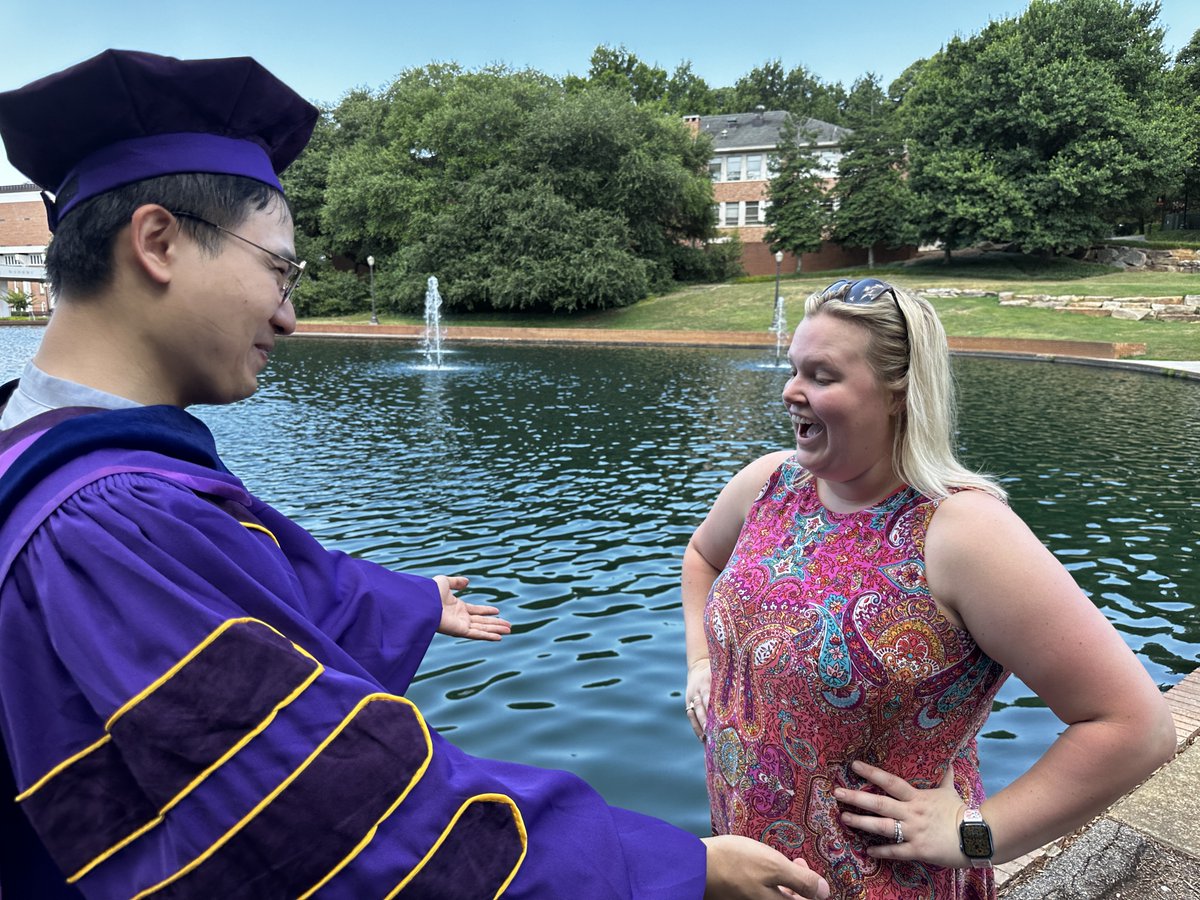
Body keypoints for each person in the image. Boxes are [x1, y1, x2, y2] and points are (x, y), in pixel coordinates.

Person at [0, 50, 832, 900]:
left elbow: (253, 592)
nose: (288, 315)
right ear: (159, 242)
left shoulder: (33, 451)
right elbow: (340, 816)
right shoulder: (108, 518)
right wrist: (680, 868)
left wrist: (407, 600)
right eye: (280, 269)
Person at [680, 278, 1176, 899]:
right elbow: (701, 557)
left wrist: (975, 834)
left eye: (822, 376)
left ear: (898, 394)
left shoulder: (962, 533)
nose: (790, 391)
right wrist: (702, 661)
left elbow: (1135, 727)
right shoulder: (770, 484)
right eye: (793, 370)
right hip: (747, 870)